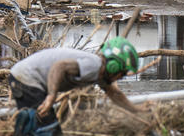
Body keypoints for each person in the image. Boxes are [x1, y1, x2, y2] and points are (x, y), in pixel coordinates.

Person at [9, 37, 145, 134]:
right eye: (122, 73)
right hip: (26, 79)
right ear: (113, 66)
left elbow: (115, 94)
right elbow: (59, 67)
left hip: (25, 78)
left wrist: (137, 110)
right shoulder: (94, 65)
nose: (121, 78)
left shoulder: (101, 73)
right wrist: (51, 96)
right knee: (48, 128)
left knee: (34, 124)